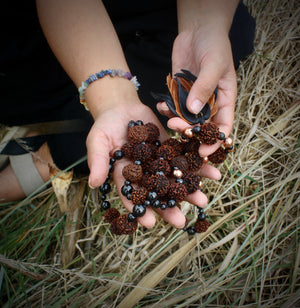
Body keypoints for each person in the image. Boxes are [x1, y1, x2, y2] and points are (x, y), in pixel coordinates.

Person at [0, 0, 255, 229]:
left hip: (129, 14)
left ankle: (59, 146)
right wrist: (112, 98)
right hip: (31, 33)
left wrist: (202, 24)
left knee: (233, 35)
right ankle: (65, 137)